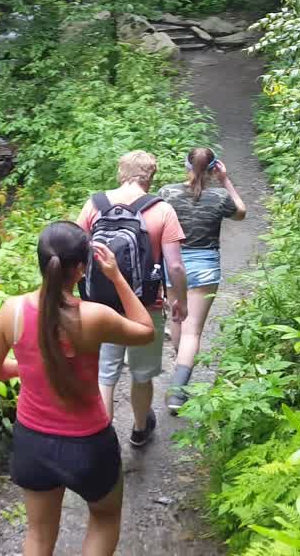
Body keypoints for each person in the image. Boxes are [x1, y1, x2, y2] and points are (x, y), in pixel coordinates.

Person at [0, 221, 157, 556]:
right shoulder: (94, 316)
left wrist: (33, 366)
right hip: (88, 444)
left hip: (32, 441)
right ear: (81, 268)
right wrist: (117, 276)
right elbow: (145, 330)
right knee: (104, 518)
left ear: (41, 262)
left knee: (38, 534)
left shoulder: (11, 311)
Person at [75, 150, 187, 446]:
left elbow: (76, 251)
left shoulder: (94, 204)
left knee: (105, 373)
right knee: (141, 373)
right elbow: (174, 265)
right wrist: (181, 301)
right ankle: (139, 429)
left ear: (120, 172)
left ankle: (100, 439)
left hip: (100, 305)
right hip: (145, 304)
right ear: (150, 176)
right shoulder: (162, 210)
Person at [158, 147, 247, 414]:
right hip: (205, 266)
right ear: (213, 168)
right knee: (193, 330)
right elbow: (241, 212)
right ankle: (178, 392)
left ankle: (179, 368)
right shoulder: (220, 197)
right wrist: (226, 181)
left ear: (186, 165)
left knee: (176, 318)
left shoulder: (166, 193)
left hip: (173, 263)